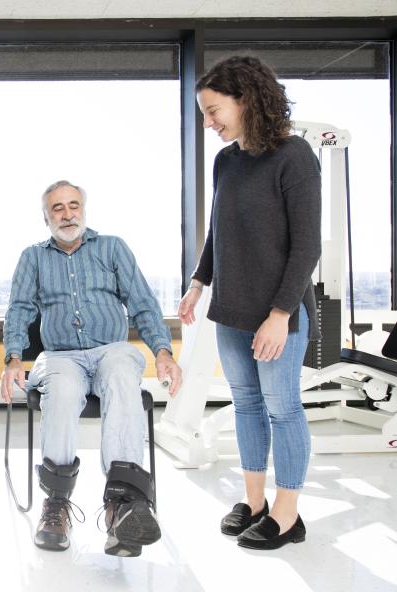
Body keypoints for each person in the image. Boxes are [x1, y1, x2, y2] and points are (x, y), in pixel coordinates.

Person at [179, 55, 321, 551]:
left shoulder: (294, 155)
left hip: (276, 312)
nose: (209, 123)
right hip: (231, 310)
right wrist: (198, 283)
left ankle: (287, 514)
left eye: (214, 111)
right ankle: (255, 502)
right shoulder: (226, 161)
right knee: (245, 406)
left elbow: (307, 247)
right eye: (204, 113)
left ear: (246, 99)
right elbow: (219, 232)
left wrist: (281, 315)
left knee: (283, 409)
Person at [1, 180, 182, 558]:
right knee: (63, 390)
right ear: (45, 216)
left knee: (120, 373)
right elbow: (18, 309)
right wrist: (14, 357)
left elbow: (143, 303)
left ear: (83, 209)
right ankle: (56, 504)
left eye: (73, 205)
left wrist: (162, 351)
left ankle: (124, 505)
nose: (67, 214)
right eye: (57, 208)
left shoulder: (112, 248)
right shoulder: (32, 258)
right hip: (60, 355)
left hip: (110, 350)